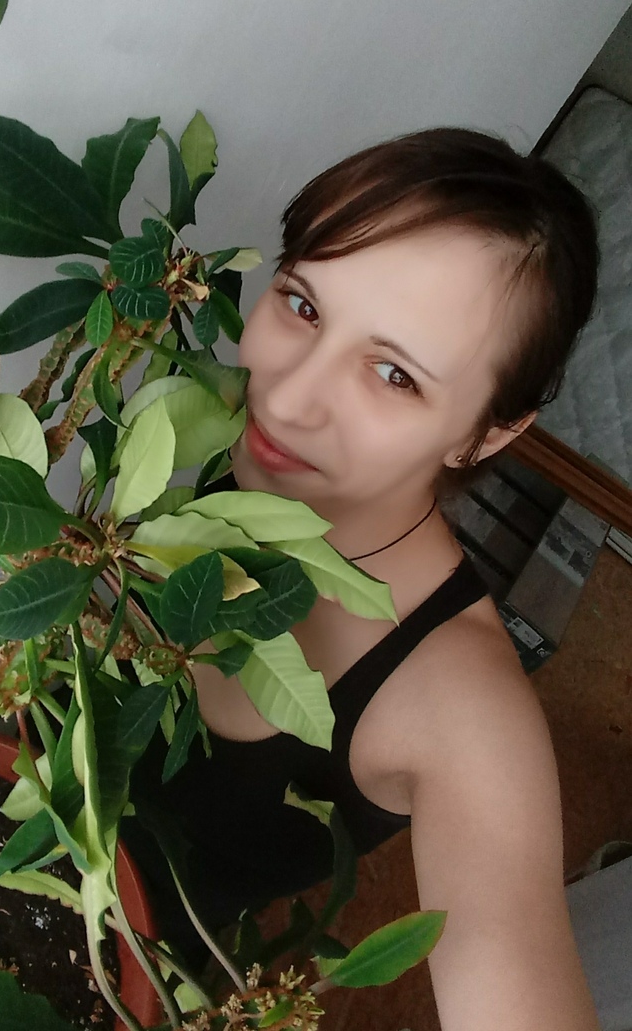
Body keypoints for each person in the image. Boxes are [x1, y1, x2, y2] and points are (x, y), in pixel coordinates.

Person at [126, 127, 602, 1030]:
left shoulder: (460, 707)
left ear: (487, 434)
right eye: (302, 304)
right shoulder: (244, 451)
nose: (286, 396)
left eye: (394, 375)